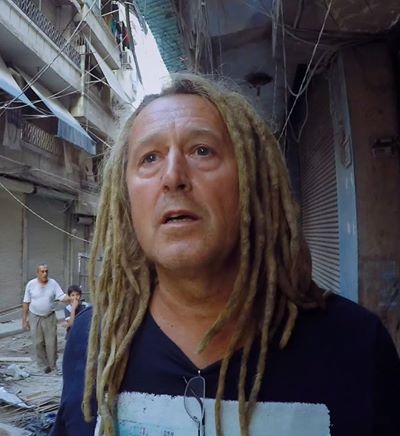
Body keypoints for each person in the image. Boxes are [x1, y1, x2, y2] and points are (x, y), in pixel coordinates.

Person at [52, 74, 400, 436]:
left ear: (252, 181)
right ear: (126, 197)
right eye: (150, 157)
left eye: (202, 150)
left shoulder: (356, 347)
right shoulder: (93, 341)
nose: (173, 176)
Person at [22, 264, 69, 374]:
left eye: (46, 271)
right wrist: (24, 320)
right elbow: (26, 302)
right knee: (37, 342)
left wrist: (71, 297)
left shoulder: (53, 283)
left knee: (51, 342)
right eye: (42, 271)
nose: (45, 274)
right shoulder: (31, 284)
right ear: (37, 273)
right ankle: (43, 365)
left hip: (49, 316)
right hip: (34, 316)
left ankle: (53, 365)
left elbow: (61, 296)